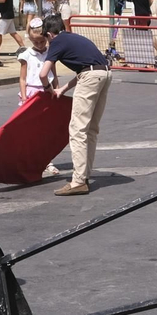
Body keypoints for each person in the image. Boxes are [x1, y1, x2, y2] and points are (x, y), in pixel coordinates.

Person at [39, 14, 111, 196]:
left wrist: (48, 88)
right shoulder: (73, 37)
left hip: (91, 77)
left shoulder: (57, 42)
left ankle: (78, 181)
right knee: (92, 129)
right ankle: (84, 175)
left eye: (45, 38)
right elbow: (86, 69)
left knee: (78, 130)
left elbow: (42, 74)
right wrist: (63, 88)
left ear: (49, 34)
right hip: (105, 73)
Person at [18, 17, 61, 177]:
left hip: (47, 93)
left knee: (46, 130)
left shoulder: (51, 52)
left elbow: (54, 74)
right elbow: (22, 78)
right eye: (36, 42)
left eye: (42, 42)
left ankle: (47, 160)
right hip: (32, 94)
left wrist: (57, 90)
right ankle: (34, 160)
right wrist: (23, 98)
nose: (40, 45)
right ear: (30, 39)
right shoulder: (26, 55)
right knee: (32, 131)